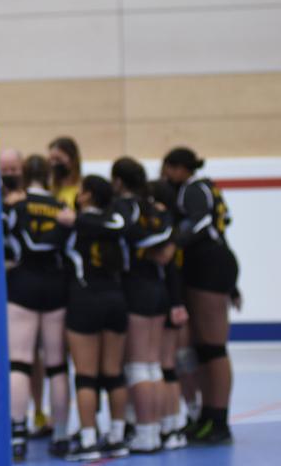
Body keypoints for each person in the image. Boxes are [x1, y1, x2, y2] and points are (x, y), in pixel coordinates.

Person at [162, 147, 238, 444]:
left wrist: (174, 242)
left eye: (168, 169)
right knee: (204, 348)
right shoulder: (203, 188)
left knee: (214, 348)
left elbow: (204, 222)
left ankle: (218, 419)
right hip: (208, 265)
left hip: (209, 265)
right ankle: (208, 415)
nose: (166, 176)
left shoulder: (194, 188)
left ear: (180, 168)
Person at [3, 155, 71, 460]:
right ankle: (61, 434)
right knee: (56, 363)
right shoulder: (62, 208)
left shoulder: (16, 206)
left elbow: (6, 243)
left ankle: (18, 434)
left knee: (20, 361)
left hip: (23, 284)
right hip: (56, 285)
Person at [58, 175, 129, 461]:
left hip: (85, 298)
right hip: (115, 299)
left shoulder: (73, 223)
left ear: (87, 196)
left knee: (86, 375)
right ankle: (117, 437)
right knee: (113, 372)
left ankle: (88, 440)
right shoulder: (114, 223)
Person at [111, 157, 174, 453]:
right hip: (158, 288)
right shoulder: (154, 207)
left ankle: (147, 433)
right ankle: (158, 429)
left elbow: (129, 234)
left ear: (119, 181)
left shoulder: (125, 207)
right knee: (153, 366)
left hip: (136, 287)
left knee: (139, 366)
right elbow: (165, 242)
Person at [148, 180, 190, 451]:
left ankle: (170, 425)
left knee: (163, 366)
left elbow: (168, 267)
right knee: (167, 366)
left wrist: (176, 303)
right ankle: (172, 424)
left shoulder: (164, 230)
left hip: (164, 299)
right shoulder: (171, 228)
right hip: (171, 298)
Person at [48, 137, 81, 210]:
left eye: (58, 159)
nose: (54, 164)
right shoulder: (48, 188)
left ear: (72, 159)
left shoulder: (82, 190)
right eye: (51, 160)